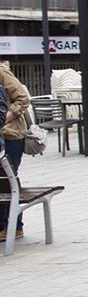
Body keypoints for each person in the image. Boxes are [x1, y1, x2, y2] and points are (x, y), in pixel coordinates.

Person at [1, 61, 29, 237]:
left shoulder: (1, 72)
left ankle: (13, 226)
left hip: (10, 135)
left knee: (7, 180)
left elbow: (22, 98)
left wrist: (4, 117)